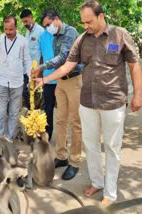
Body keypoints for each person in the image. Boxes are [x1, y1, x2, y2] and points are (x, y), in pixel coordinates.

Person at [34, 0, 142, 205]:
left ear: (101, 16)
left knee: (111, 148)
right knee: (90, 145)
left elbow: (134, 66)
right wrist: (45, 79)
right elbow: (68, 65)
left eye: (89, 21)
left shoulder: (120, 34)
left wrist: (138, 94)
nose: (86, 26)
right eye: (83, 22)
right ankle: (97, 182)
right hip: (88, 103)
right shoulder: (83, 39)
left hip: (113, 102)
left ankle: (110, 193)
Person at [33, 9, 83, 181]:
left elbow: (63, 58)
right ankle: (61, 156)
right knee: (60, 119)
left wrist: (42, 68)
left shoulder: (70, 32)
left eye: (48, 24)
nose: (47, 28)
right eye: (45, 26)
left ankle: (75, 161)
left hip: (74, 80)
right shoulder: (54, 36)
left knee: (75, 122)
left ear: (56, 19)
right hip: (61, 81)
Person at [0, 15, 32, 143]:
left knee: (14, 112)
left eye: (11, 29)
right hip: (2, 81)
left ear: (16, 27)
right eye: (6, 29)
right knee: (1, 111)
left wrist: (30, 77)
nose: (8, 32)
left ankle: (9, 137)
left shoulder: (23, 41)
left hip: (18, 82)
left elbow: (27, 60)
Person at [20, 9, 45, 110]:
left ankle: (37, 115)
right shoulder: (27, 32)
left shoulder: (41, 32)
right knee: (25, 92)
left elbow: (43, 54)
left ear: (31, 18)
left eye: (26, 21)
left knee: (36, 93)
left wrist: (40, 72)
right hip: (27, 69)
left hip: (37, 70)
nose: (24, 24)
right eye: (23, 22)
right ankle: (31, 113)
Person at [39, 28, 57, 141]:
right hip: (48, 80)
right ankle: (48, 135)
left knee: (64, 111)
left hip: (63, 78)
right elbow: (41, 56)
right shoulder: (42, 36)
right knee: (48, 109)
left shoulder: (61, 34)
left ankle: (63, 140)